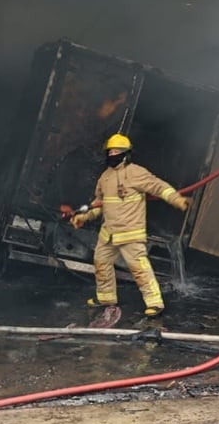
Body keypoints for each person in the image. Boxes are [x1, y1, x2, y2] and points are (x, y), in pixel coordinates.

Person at [71, 133, 190, 318]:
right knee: (101, 263)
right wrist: (84, 217)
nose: (112, 155)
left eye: (116, 151)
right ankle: (106, 298)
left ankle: (155, 303)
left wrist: (177, 200)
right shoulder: (105, 177)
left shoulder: (136, 172)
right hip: (108, 233)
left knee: (139, 268)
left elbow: (158, 187)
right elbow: (99, 204)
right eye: (110, 152)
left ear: (126, 154)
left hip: (130, 232)